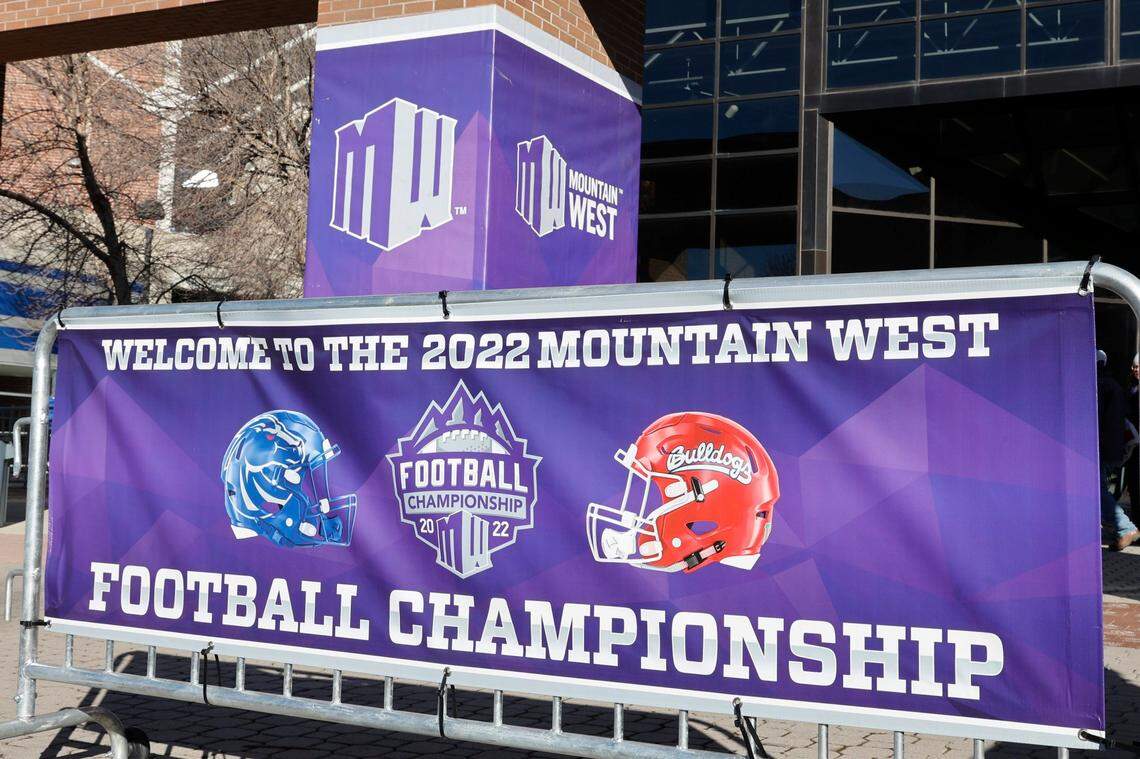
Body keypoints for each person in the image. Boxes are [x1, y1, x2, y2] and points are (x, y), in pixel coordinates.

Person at [1098, 349, 1138, 550]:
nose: (1134, 370)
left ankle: (1124, 527)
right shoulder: (1115, 386)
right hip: (1112, 448)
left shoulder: (1101, 387)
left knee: (1095, 490)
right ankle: (1119, 528)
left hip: (1101, 448)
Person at [1126, 353, 1139, 515]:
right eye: (1133, 366)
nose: (1133, 369)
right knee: (1134, 483)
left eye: (1136, 366)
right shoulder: (1132, 388)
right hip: (1134, 444)